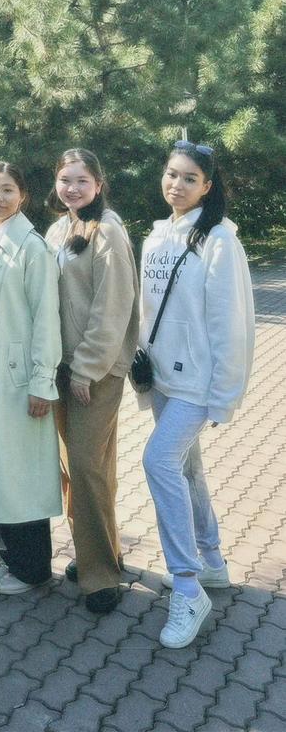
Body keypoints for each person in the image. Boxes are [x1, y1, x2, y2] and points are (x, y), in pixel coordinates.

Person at [139, 141, 254, 648]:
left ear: (207, 186)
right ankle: (212, 561)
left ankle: (187, 588)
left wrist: (223, 395)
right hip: (163, 377)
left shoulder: (220, 240)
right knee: (187, 469)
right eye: (172, 174)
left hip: (198, 383)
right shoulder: (157, 235)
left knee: (158, 461)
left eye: (190, 178)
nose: (177, 184)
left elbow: (229, 322)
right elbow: (150, 310)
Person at [45, 148, 138, 614]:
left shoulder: (109, 231)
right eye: (65, 180)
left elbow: (112, 308)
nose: (73, 188)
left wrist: (85, 368)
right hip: (62, 369)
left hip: (94, 373)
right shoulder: (59, 229)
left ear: (98, 184)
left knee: (86, 467)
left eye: (82, 181)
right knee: (79, 468)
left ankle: (101, 576)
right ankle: (99, 553)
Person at [0, 161, 63, 596]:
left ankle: (32, 569)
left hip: (19, 377)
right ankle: (6, 558)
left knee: (21, 475)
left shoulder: (32, 247)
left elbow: (47, 319)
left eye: (7, 190)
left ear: (22, 195)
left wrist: (42, 381)